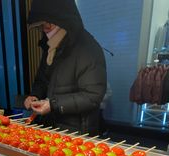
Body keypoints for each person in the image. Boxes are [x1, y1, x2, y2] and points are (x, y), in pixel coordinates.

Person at [24, 0, 107, 136]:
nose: (44, 30)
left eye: (47, 26)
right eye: (41, 27)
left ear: (63, 19)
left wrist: (53, 104)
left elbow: (92, 96)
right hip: (52, 126)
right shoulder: (51, 46)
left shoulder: (88, 48)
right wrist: (35, 95)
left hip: (78, 131)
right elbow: (42, 79)